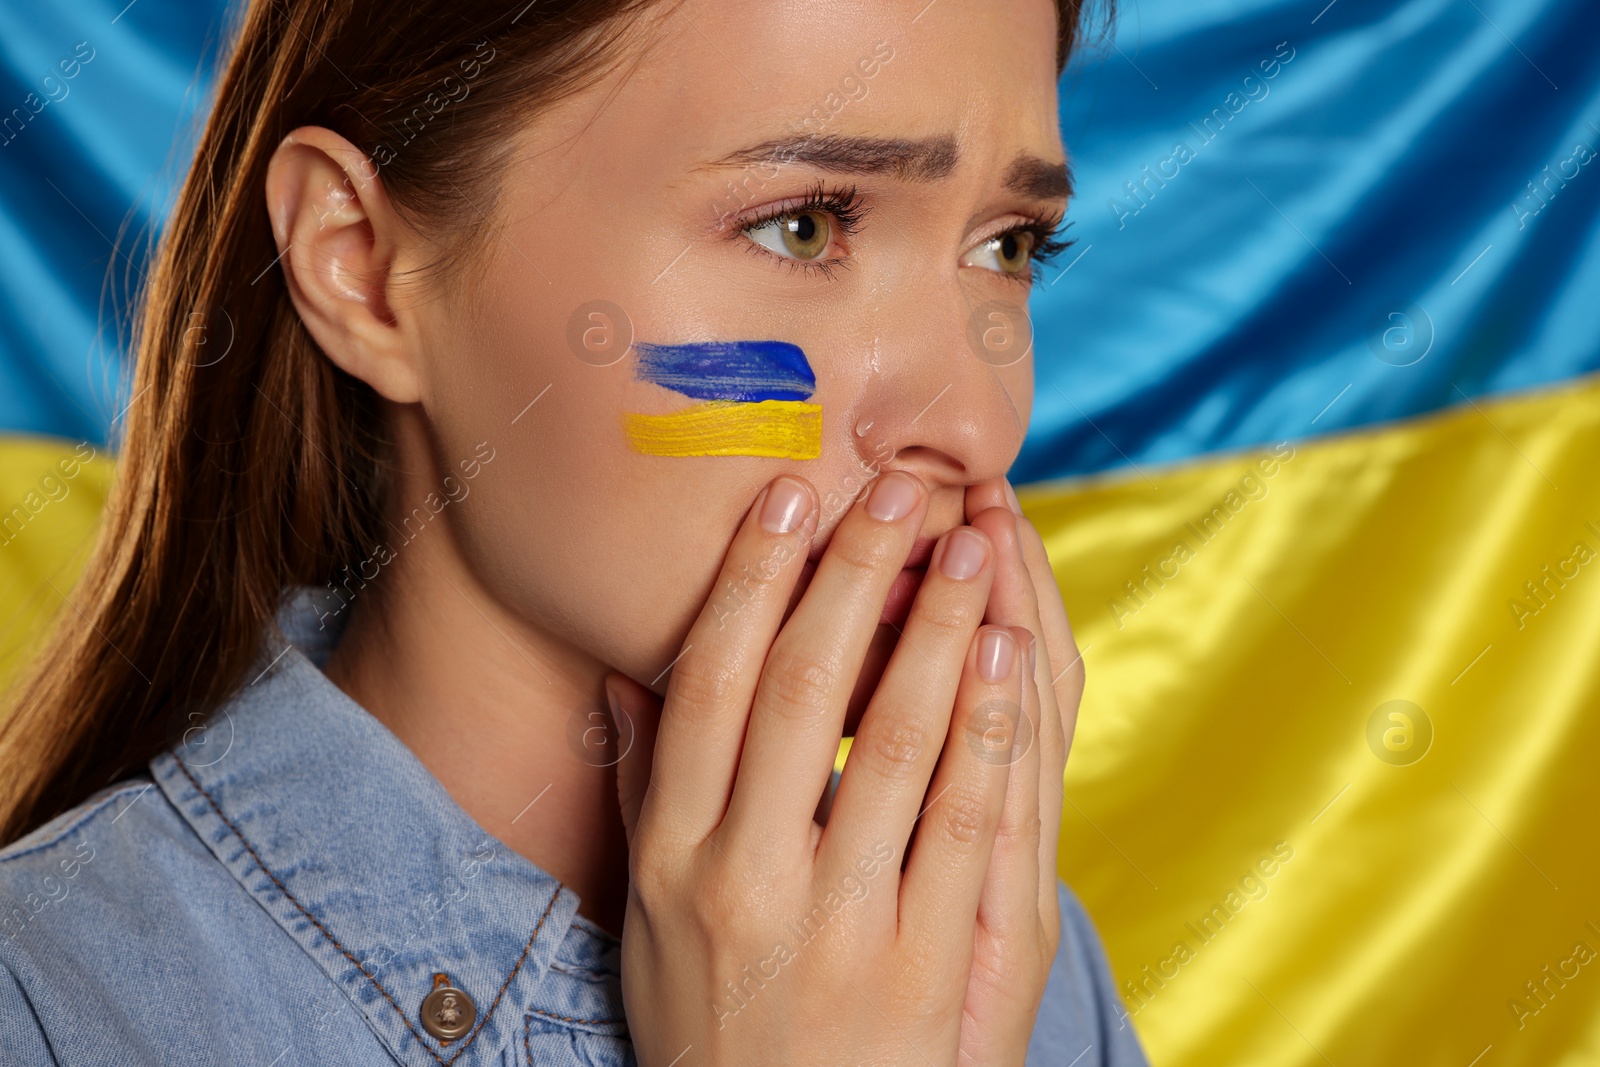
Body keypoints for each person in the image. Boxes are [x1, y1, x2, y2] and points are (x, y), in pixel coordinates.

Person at [0, 0, 1146, 1063]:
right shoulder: (50, 1006)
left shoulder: (1004, 965)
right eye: (804, 226)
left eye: (1007, 245)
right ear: (358, 267)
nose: (974, 425)